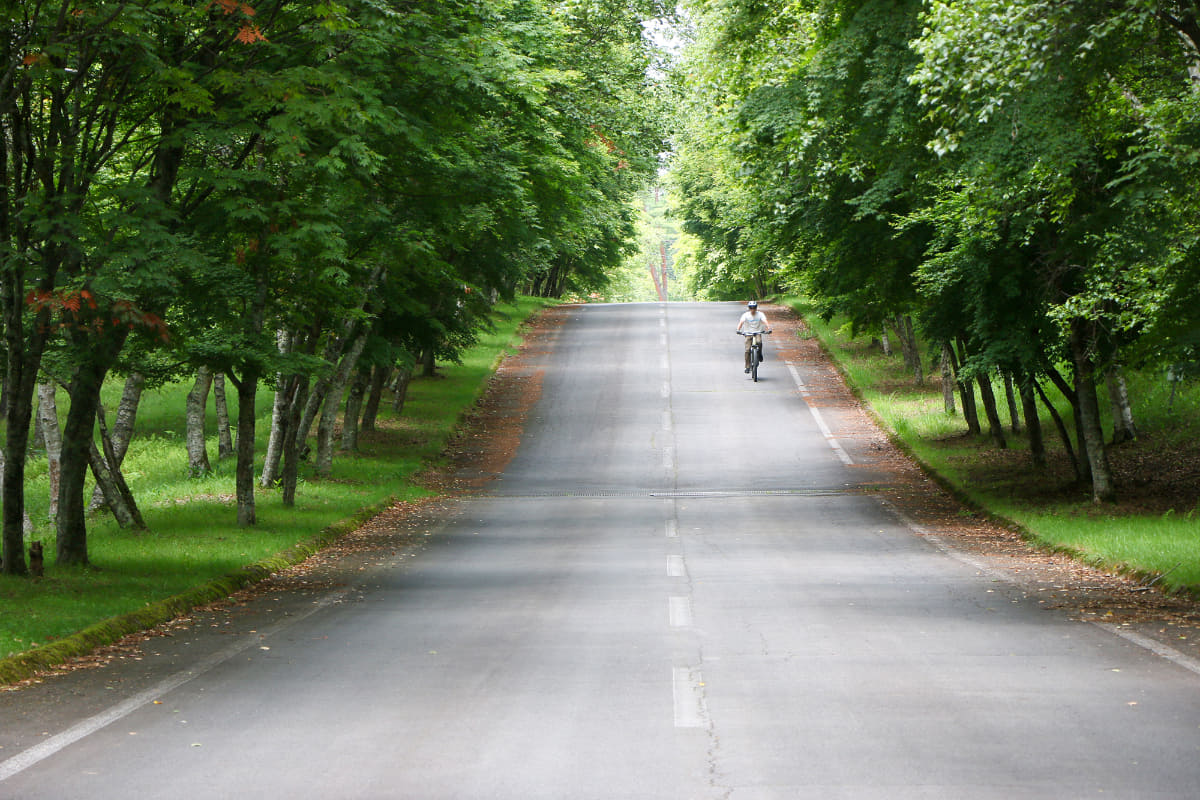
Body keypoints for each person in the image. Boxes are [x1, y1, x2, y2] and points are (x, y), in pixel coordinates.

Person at [736, 301, 771, 373]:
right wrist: (738, 330)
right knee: (747, 350)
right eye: (751, 308)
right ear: (749, 308)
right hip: (748, 333)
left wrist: (769, 328)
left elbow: (765, 321)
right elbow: (741, 322)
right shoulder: (745, 315)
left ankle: (760, 353)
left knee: (759, 342)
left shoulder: (760, 314)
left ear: (756, 308)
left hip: (758, 332)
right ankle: (747, 366)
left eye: (754, 308)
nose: (752, 309)